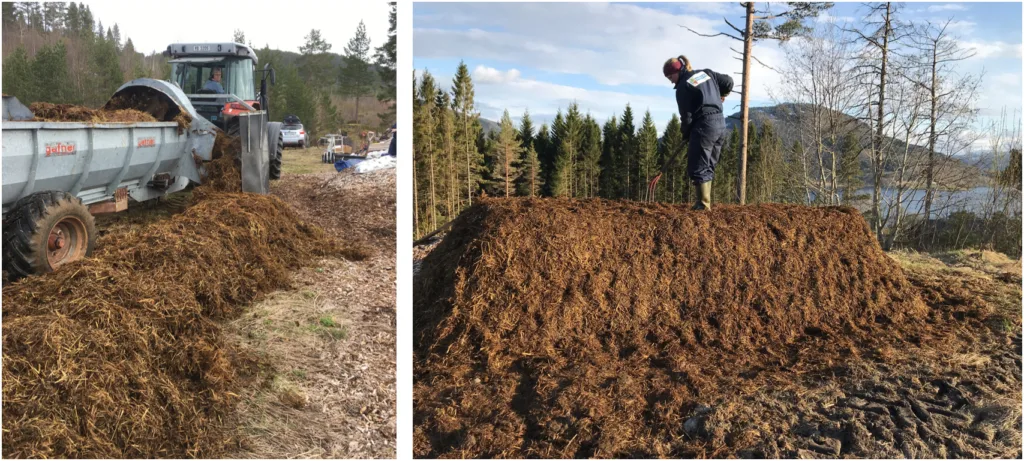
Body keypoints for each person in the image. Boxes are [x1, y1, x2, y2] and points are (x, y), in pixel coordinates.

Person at [651, 55, 733, 210]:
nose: (671, 81)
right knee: (708, 164)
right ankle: (705, 204)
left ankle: (703, 206)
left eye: (670, 77)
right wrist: (723, 94)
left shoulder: (683, 87)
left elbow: (687, 117)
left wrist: (686, 133)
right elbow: (728, 82)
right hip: (720, 124)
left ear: (677, 71)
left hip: (704, 126)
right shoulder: (706, 73)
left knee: (698, 165)